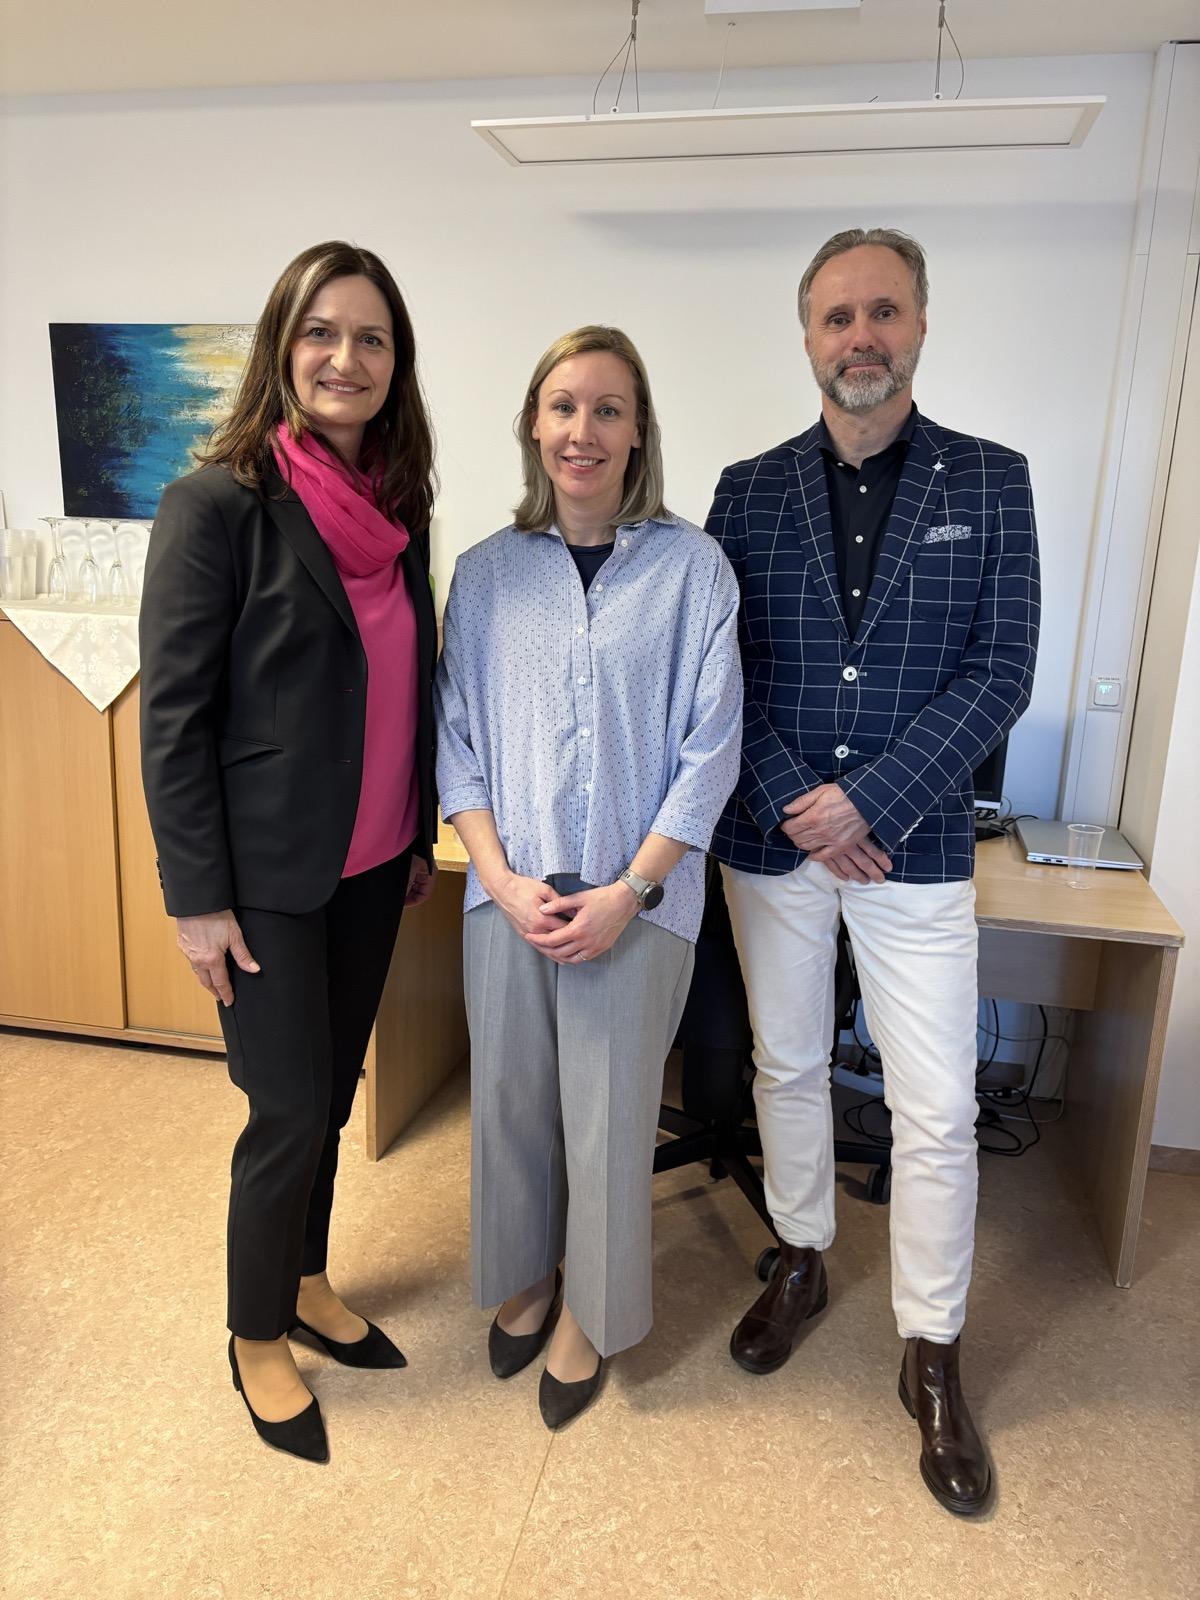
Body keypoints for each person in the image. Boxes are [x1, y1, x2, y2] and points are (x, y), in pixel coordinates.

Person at [706, 228, 1040, 1515]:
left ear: (919, 325)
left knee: (937, 1107)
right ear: (806, 336)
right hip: (775, 835)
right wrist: (802, 797)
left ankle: (933, 1345)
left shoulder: (992, 481)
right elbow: (719, 666)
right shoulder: (745, 490)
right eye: (837, 315)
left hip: (917, 845)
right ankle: (800, 1256)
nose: (862, 335)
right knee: (784, 1063)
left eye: (883, 311)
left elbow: (1000, 670)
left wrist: (873, 799)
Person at [140, 240, 440, 1464]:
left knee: (331, 1097)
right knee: (284, 1108)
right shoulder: (218, 503)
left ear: (395, 364)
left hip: (372, 866)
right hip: (263, 882)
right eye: (322, 332)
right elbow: (175, 717)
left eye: (371, 337)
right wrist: (196, 899)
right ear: (282, 345)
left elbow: (408, 682)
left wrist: (416, 830)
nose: (345, 357)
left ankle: (307, 1277)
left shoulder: (399, 508)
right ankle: (254, 1331)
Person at [435, 325, 742, 1429]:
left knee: (610, 1115)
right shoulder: (483, 576)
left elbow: (713, 751)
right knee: (511, 1100)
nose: (584, 430)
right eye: (565, 406)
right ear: (534, 422)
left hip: (639, 896)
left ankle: (594, 1315)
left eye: (609, 409)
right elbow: (455, 739)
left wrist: (631, 889)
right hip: (507, 891)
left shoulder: (693, 569)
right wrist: (503, 877)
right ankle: (525, 1273)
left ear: (639, 432)